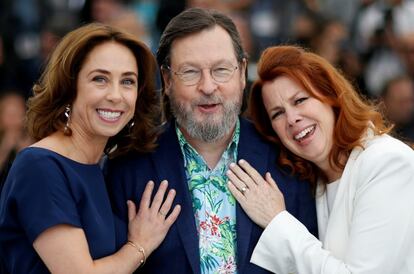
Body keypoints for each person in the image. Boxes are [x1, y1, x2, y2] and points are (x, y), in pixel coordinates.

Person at [105, 8, 317, 274]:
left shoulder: (286, 159)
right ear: (168, 80)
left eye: (220, 70)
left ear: (241, 73)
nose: (207, 87)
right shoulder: (127, 167)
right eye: (191, 72)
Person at [0, 23, 181, 274]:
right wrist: (139, 245)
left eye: (127, 81)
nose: (116, 95)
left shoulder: (98, 165)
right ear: (70, 86)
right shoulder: (40, 167)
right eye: (100, 79)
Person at [226, 45, 414, 273]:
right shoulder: (315, 182)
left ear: (330, 96)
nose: (292, 118)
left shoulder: (387, 162)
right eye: (277, 113)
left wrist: (277, 220)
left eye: (300, 100)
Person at [0, 91, 33, 190]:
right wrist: (6, 146)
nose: (13, 120)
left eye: (17, 114)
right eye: (10, 115)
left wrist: (23, 150)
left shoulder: (31, 138)